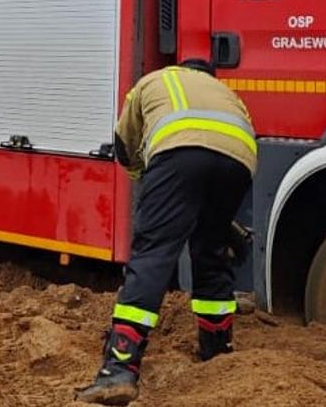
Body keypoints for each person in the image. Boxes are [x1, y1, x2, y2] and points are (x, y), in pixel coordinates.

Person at [75, 58, 257, 406]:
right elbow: (227, 148)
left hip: (178, 154)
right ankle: (217, 350)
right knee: (210, 253)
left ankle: (119, 370)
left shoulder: (154, 80)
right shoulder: (226, 93)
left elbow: (124, 143)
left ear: (182, 70)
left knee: (153, 254)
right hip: (239, 162)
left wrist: (146, 182)